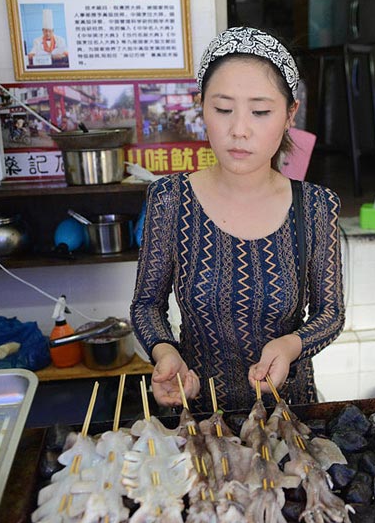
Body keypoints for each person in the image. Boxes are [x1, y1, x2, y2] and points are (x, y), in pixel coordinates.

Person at [130, 26, 345, 412]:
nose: (239, 130)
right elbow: (146, 305)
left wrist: (289, 345)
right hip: (199, 410)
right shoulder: (170, 199)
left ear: (289, 114)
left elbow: (330, 314)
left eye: (260, 112)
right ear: (202, 108)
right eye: (223, 109)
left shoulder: (316, 206)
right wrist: (166, 353)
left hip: (289, 411)